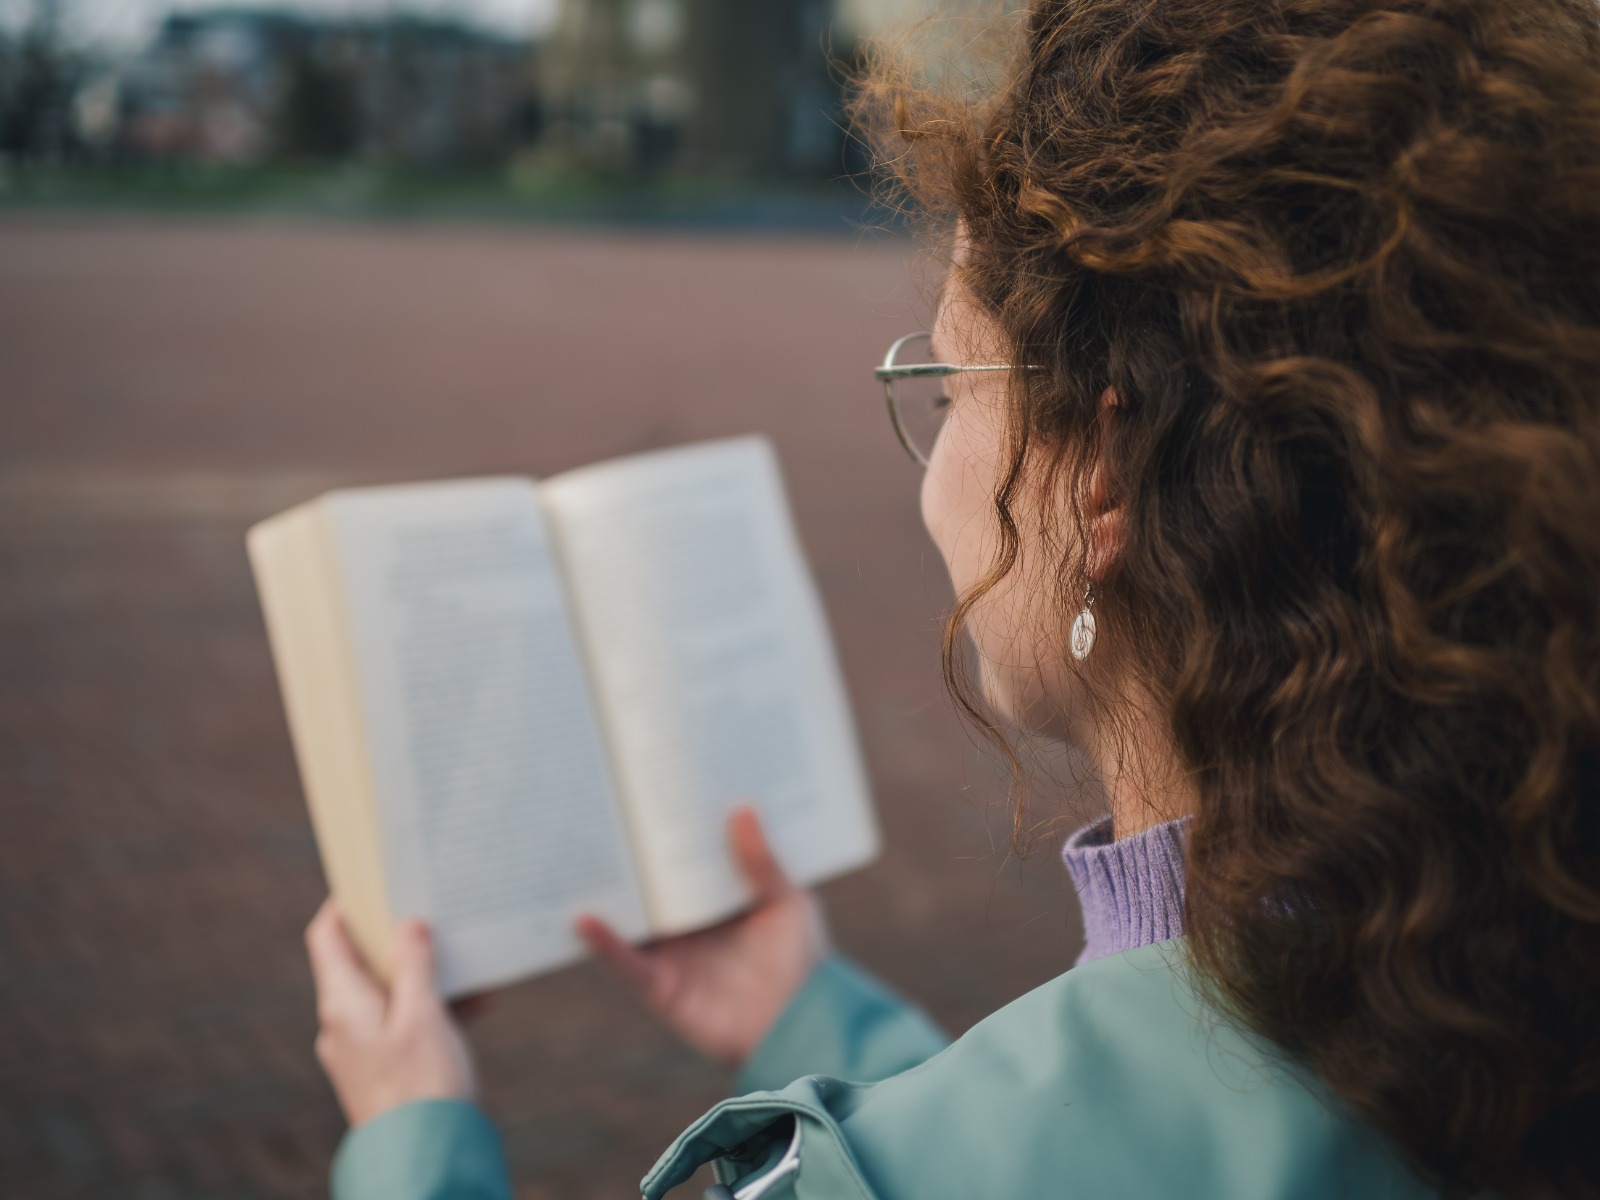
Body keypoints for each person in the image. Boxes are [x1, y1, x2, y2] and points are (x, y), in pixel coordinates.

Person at [301, 0, 1600, 1195]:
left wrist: (413, 1133)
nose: (933, 484)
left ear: (1098, 475)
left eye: (949, 388)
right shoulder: (1514, 962)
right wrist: (817, 1019)